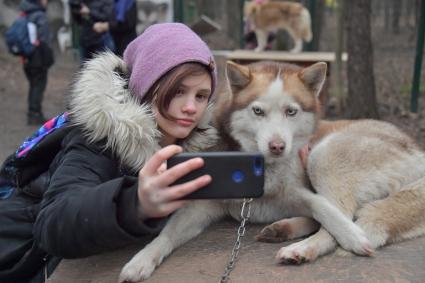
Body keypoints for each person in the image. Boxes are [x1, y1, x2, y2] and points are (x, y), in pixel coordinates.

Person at [0, 23, 218, 282]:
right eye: (179, 91)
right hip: (26, 263)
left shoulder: (196, 143)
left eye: (202, 95)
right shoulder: (97, 138)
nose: (191, 107)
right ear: (146, 84)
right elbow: (53, 222)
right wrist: (135, 203)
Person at [20, 0, 55, 125]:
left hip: (26, 56)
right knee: (38, 86)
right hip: (38, 57)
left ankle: (33, 112)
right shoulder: (39, 15)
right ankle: (34, 114)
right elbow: (44, 38)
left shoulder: (25, 12)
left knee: (33, 85)